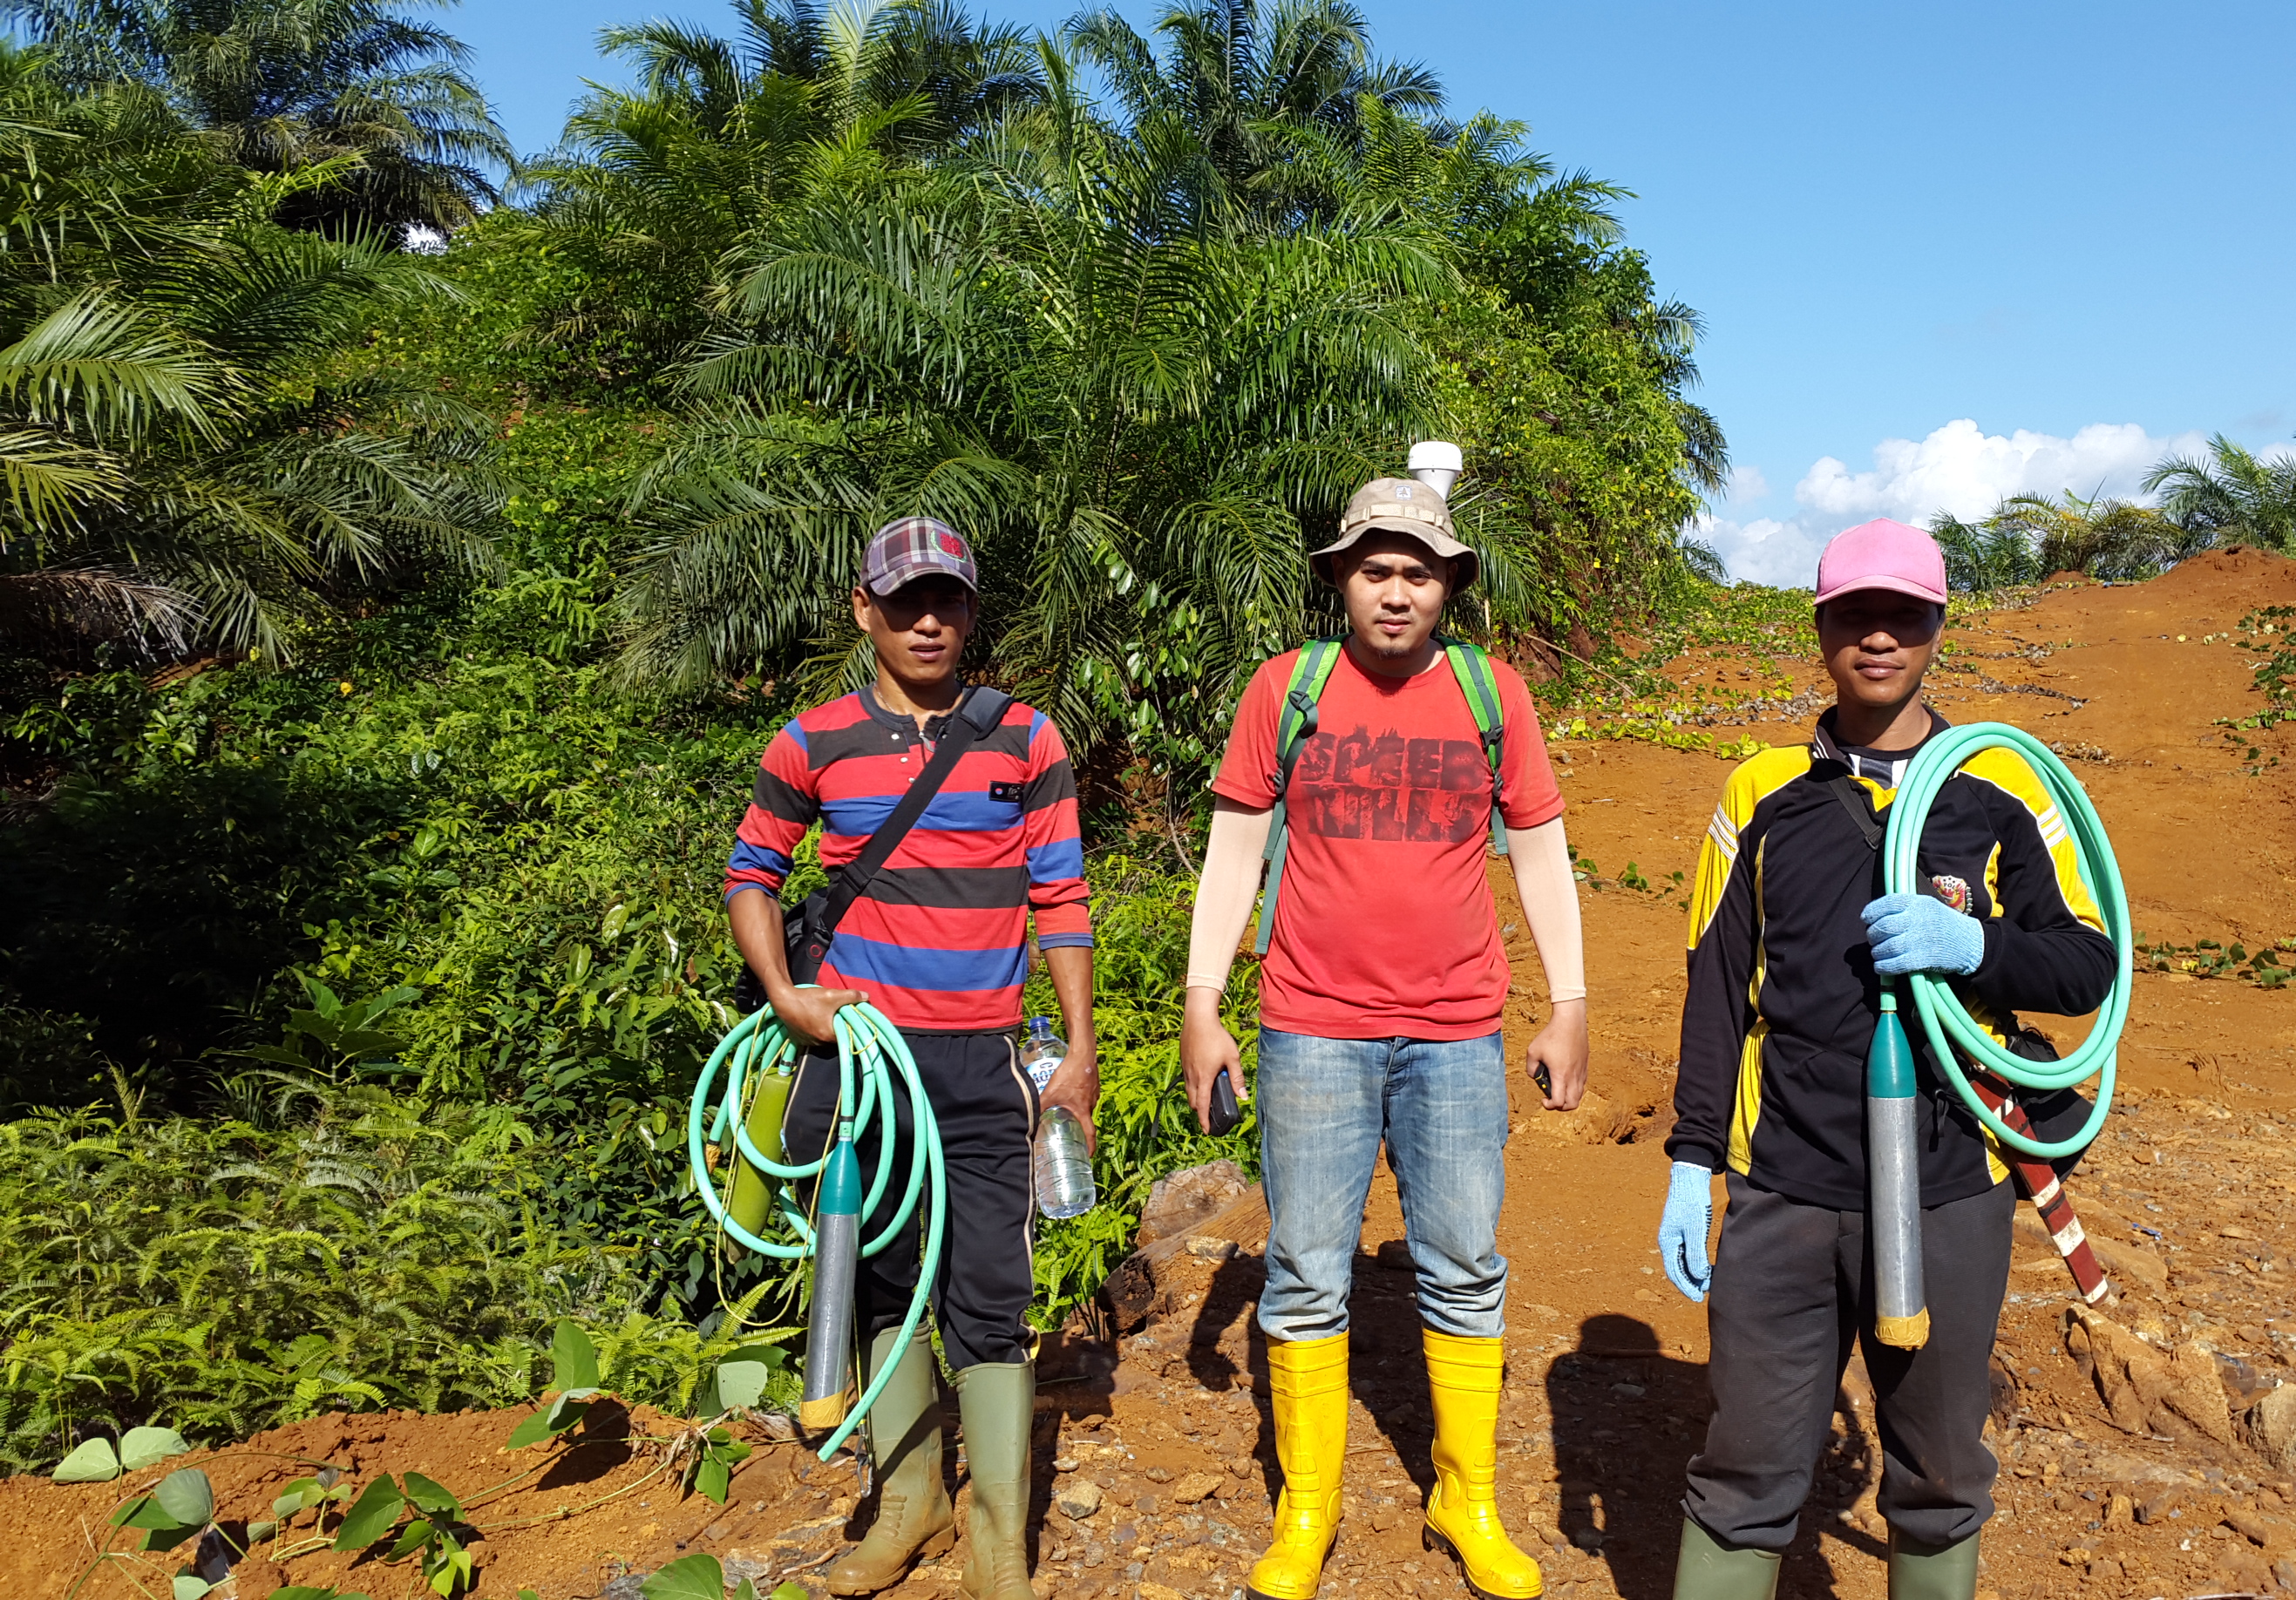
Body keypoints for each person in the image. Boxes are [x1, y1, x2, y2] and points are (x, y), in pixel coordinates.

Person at [1654, 519, 2116, 1600]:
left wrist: (1978, 947)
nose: (1877, 638)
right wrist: (1692, 1157)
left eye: (1902, 617)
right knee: (1746, 1465)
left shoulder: (2000, 787)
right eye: (1854, 616)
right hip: (1787, 1181)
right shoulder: (1760, 793)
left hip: (1953, 1177)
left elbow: (2087, 965)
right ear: (1821, 629)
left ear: (1936, 628)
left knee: (1941, 1469)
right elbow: (1716, 989)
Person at [1180, 476, 1592, 1600]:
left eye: (1418, 572)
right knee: (1307, 1269)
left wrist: (1569, 1002)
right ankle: (1307, 1506)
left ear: (1448, 584)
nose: (1396, 592)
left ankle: (1467, 1495)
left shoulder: (1493, 695)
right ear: (1341, 580)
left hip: (1456, 1032)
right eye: (1376, 570)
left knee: (1463, 1265)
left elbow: (1541, 850)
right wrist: (1203, 1001)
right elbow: (1234, 849)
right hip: (1311, 1024)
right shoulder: (1288, 689)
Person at [723, 516, 1098, 1600]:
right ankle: (909, 1503)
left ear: (971, 612)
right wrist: (788, 996)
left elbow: (1061, 896)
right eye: (904, 602)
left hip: (984, 1062)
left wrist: (1077, 1050)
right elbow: (751, 873)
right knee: (878, 1275)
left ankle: (998, 1542)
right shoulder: (811, 741)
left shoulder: (1027, 739)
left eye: (947, 601)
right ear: (865, 611)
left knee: (990, 1288)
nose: (927, 621)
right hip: (861, 1063)